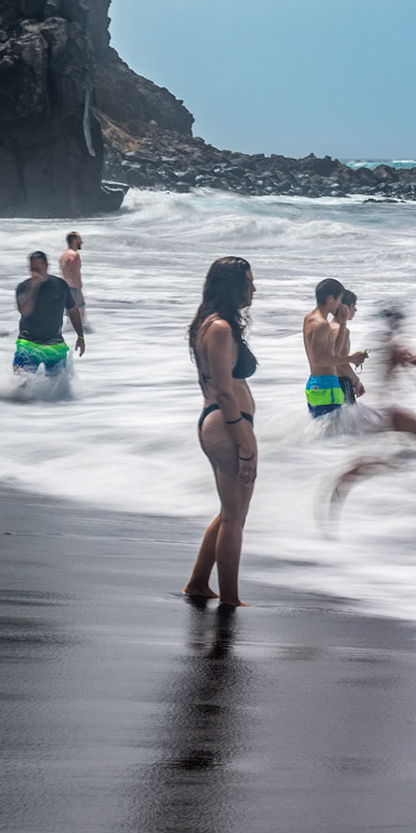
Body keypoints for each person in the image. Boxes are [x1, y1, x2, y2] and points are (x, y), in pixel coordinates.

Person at [327, 304, 416, 516]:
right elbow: (412, 360)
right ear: (397, 322)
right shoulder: (394, 342)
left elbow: (404, 362)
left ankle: (344, 484)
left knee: (393, 462)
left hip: (381, 409)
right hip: (388, 410)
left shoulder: (384, 340)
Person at [183, 257, 259, 607]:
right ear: (232, 286)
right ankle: (230, 599)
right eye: (248, 282)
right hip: (228, 423)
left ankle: (199, 582)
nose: (254, 288)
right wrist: (244, 443)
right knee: (234, 516)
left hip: (223, 422)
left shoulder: (211, 324)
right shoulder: (220, 329)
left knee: (231, 511)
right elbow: (225, 390)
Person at [14, 250, 85, 384]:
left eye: (38, 269)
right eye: (32, 269)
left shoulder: (60, 285)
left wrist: (80, 336)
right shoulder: (23, 287)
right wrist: (34, 287)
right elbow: (24, 310)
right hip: (28, 344)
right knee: (20, 386)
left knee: (59, 389)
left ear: (46, 266)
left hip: (54, 344)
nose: (35, 272)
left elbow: (73, 310)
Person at [302, 278, 366, 418]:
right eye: (339, 300)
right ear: (331, 298)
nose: (340, 304)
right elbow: (318, 360)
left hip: (317, 385)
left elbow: (334, 352)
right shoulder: (321, 324)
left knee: (329, 436)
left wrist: (342, 323)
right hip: (326, 387)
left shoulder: (309, 318)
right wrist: (352, 359)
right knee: (336, 436)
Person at [58, 231, 85, 324]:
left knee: (70, 320)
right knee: (79, 319)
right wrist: (78, 291)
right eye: (79, 239)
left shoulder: (63, 255)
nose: (81, 242)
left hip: (66, 288)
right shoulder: (74, 255)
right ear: (74, 240)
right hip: (74, 289)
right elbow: (73, 273)